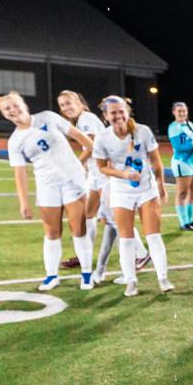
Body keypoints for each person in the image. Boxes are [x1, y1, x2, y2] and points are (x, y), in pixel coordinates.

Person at [0, 91, 95, 291]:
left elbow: (80, 137)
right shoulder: (14, 141)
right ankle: (52, 276)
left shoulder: (48, 117)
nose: (12, 111)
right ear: (4, 114)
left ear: (23, 105)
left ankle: (86, 274)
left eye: (14, 105)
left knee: (79, 230)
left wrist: (85, 160)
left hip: (73, 181)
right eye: (7, 109)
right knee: (52, 233)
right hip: (47, 186)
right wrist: (23, 202)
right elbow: (20, 173)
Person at [91, 95, 174, 297]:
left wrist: (161, 186)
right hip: (121, 190)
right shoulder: (102, 138)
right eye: (113, 113)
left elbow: (156, 161)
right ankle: (131, 281)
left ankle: (163, 278)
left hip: (146, 189)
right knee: (126, 238)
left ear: (127, 112)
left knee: (153, 235)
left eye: (121, 111)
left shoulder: (142, 131)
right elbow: (102, 168)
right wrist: (123, 174)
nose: (118, 116)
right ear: (105, 116)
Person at [55, 90, 107, 271]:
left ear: (79, 102)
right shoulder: (81, 121)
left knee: (113, 216)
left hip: (103, 172)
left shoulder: (86, 119)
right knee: (89, 215)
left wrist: (76, 166)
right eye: (62, 105)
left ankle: (139, 254)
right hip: (96, 172)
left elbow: (92, 147)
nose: (66, 108)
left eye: (69, 103)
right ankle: (83, 254)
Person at [167, 102, 193, 231]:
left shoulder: (190, 125)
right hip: (182, 162)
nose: (182, 113)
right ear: (174, 112)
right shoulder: (173, 127)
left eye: (184, 111)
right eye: (179, 111)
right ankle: (183, 222)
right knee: (182, 193)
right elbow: (179, 147)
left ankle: (190, 220)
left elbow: (191, 144)